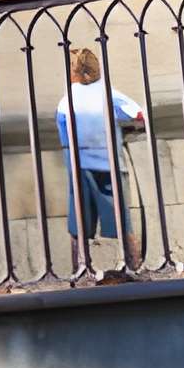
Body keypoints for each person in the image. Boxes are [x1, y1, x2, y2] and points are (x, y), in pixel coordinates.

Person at [55, 44, 144, 270]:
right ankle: (134, 265)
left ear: (74, 72)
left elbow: (64, 135)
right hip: (110, 164)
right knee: (122, 221)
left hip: (81, 167)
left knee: (78, 226)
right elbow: (139, 116)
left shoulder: (67, 100)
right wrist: (123, 131)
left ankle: (81, 269)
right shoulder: (110, 94)